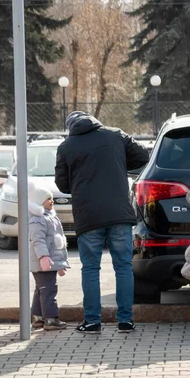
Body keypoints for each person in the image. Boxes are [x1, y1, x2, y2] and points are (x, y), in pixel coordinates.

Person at [55, 111, 150, 334]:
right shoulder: (116, 135)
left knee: (90, 269)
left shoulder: (66, 147)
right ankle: (125, 321)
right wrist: (117, 165)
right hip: (119, 213)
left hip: (88, 216)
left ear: (70, 127)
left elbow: (62, 185)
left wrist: (80, 182)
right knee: (123, 267)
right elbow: (142, 157)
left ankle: (92, 322)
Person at [29, 186, 70, 331]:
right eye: (48, 199)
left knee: (41, 289)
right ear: (40, 202)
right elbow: (38, 240)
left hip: (49, 262)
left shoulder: (49, 217)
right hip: (43, 262)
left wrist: (59, 263)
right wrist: (43, 257)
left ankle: (38, 318)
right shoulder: (38, 220)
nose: (52, 201)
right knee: (49, 290)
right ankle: (51, 319)